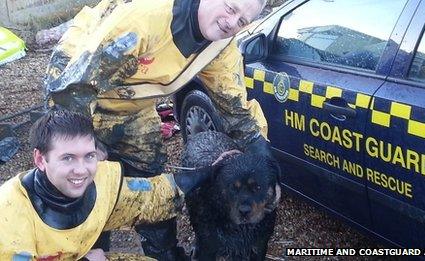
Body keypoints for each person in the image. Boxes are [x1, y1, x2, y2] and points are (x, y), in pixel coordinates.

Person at [43, 0, 274, 259]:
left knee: (152, 179)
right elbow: (74, 91)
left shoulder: (221, 46)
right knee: (83, 180)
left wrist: (262, 154)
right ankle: (89, 248)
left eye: (242, 21)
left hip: (132, 103)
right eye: (230, 8)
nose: (232, 23)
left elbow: (236, 109)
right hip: (77, 90)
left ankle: (164, 252)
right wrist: (89, 146)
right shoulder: (144, 20)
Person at [0, 110, 223, 260]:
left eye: (88, 156)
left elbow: (149, 196)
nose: (81, 170)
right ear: (40, 159)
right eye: (67, 158)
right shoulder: (9, 213)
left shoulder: (101, 181)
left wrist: (209, 171)